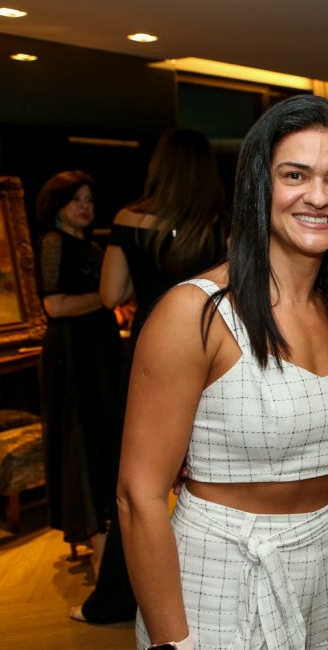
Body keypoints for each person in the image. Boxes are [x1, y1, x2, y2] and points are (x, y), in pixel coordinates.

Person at [117, 95, 328, 649]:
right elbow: (138, 497)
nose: (318, 196)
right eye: (295, 175)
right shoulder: (198, 313)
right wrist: (171, 642)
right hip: (219, 575)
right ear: (260, 184)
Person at [69, 128, 229, 625]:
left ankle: (118, 598)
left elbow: (111, 293)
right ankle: (207, 586)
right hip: (211, 352)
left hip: (150, 353)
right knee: (210, 474)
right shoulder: (220, 223)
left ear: (158, 166)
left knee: (140, 483)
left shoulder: (128, 219)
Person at [35, 170, 123, 572]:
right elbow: (56, 306)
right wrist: (107, 299)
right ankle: (97, 538)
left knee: (100, 439)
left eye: (89, 198)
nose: (85, 206)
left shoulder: (90, 244)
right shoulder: (55, 243)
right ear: (58, 208)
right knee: (80, 440)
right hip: (71, 356)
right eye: (76, 200)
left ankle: (101, 535)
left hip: (96, 353)